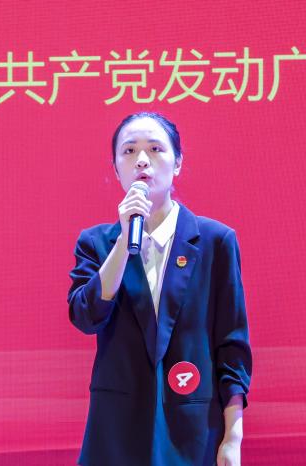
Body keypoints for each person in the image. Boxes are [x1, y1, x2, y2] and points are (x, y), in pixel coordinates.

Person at [68, 112, 252, 466]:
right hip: (117, 430)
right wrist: (123, 242)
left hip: (192, 428)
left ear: (178, 162)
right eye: (129, 151)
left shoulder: (215, 241)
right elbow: (86, 317)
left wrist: (233, 437)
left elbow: (232, 345)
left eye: (155, 149)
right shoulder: (96, 243)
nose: (142, 160)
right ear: (116, 169)